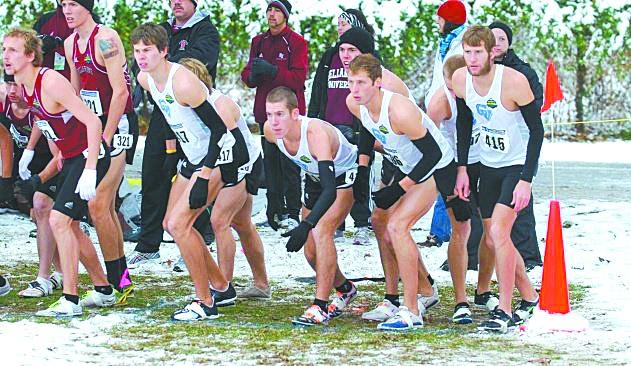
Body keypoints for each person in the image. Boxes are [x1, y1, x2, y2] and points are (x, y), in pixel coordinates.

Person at [132, 23, 261, 320]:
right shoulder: (146, 78)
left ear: (165, 51)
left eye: (148, 50)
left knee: (180, 225)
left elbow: (218, 130)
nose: (141, 57)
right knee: (170, 223)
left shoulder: (183, 83)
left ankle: (205, 302)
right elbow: (170, 117)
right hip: (193, 156)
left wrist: (204, 176)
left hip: (218, 156)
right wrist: (169, 153)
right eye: (137, 51)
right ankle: (221, 286)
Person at [4, 28, 113, 317]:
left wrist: (90, 168)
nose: (6, 55)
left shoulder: (50, 81)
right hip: (70, 157)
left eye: (13, 50)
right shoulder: (21, 84)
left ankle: (71, 300)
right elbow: (49, 120)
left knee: (59, 220)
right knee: (70, 225)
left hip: (90, 155)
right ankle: (103, 290)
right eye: (4, 49)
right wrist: (35, 154)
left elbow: (92, 122)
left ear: (30, 56)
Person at [348, 54, 457, 330]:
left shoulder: (400, 110)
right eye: (351, 82)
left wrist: (399, 188)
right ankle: (396, 298)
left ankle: (412, 312)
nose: (355, 89)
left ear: (378, 83)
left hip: (435, 167)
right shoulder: (354, 102)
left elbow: (432, 154)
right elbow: (367, 129)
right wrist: (362, 170)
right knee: (379, 222)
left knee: (398, 227)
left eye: (362, 83)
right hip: (406, 165)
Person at [453, 25, 543, 333]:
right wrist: (463, 168)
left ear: (493, 52)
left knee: (501, 234)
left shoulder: (514, 82)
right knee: (492, 237)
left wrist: (526, 179)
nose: (473, 58)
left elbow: (537, 131)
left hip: (515, 166)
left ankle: (505, 309)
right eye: (468, 52)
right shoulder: (461, 78)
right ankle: (530, 296)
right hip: (488, 166)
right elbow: (464, 121)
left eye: (479, 52)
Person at [128, 0, 220, 268]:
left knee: (194, 174)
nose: (176, 3)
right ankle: (148, 244)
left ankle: (195, 240)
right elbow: (141, 68)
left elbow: (195, 64)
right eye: (172, 0)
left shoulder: (205, 30)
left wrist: (164, 66)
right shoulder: (161, 29)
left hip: (191, 113)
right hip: (164, 111)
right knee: (154, 173)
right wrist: (153, 64)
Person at [62, 0, 137, 304]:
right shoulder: (70, 43)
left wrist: (106, 135)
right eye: (63, 5)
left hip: (117, 124)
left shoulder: (105, 38)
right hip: (93, 125)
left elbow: (121, 92)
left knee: (98, 205)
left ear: (87, 8)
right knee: (102, 208)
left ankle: (117, 282)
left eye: (73, 5)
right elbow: (75, 92)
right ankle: (121, 280)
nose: (67, 11)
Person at [178, 57, 271, 302]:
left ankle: (223, 287)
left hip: (242, 162)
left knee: (220, 221)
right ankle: (261, 283)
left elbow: (237, 147)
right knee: (242, 223)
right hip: (223, 162)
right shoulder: (189, 105)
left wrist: (228, 179)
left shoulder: (219, 104)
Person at [263, 86, 358, 325]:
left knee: (321, 230)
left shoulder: (314, 133)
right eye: (269, 114)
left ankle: (320, 306)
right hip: (316, 178)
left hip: (345, 175)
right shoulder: (270, 132)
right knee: (311, 252)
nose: (273, 122)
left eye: (279, 114)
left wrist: (305, 224)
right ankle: (345, 288)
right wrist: (276, 204)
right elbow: (276, 171)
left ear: (295, 114)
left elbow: (329, 189)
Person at [308, 9, 377, 245]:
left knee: (360, 174)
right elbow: (318, 91)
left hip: (356, 127)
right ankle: (336, 223)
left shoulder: (370, 64)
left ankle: (361, 224)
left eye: (351, 49)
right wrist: (313, 120)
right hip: (330, 124)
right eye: (343, 49)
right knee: (331, 176)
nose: (346, 54)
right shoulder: (329, 58)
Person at [241, 0, 307, 233]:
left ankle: (292, 213)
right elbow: (248, 74)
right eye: (269, 9)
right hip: (265, 112)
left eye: (277, 10)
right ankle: (273, 212)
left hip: (289, 113)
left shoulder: (296, 42)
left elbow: (298, 79)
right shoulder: (259, 41)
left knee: (289, 163)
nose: (272, 14)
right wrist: (253, 76)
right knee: (270, 163)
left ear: (285, 15)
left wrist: (273, 71)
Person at [0, 74, 63, 298]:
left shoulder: (43, 102)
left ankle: (44, 278)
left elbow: (60, 156)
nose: (13, 89)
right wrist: (7, 179)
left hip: (54, 163)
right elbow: (4, 137)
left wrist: (38, 180)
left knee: (42, 206)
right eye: (8, 83)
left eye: (17, 83)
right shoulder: (4, 101)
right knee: (39, 216)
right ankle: (60, 271)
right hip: (26, 166)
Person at [488, 20, 543, 269]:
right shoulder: (477, 69)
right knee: (485, 206)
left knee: (519, 202)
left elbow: (534, 108)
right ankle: (477, 257)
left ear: (509, 43)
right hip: (487, 147)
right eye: (493, 38)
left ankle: (528, 257)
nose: (497, 43)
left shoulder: (523, 72)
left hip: (518, 145)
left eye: (502, 38)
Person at [421, 0, 468, 248]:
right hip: (444, 115)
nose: (437, 22)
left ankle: (440, 232)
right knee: (445, 173)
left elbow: (454, 84)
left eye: (440, 18)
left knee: (448, 174)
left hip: (454, 118)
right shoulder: (447, 43)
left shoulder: (461, 47)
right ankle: (439, 232)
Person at [33, 0, 73, 80]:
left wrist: (60, 45)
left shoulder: (88, 19)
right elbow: (28, 50)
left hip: (76, 84)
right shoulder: (45, 19)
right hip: (45, 82)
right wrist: (40, 46)